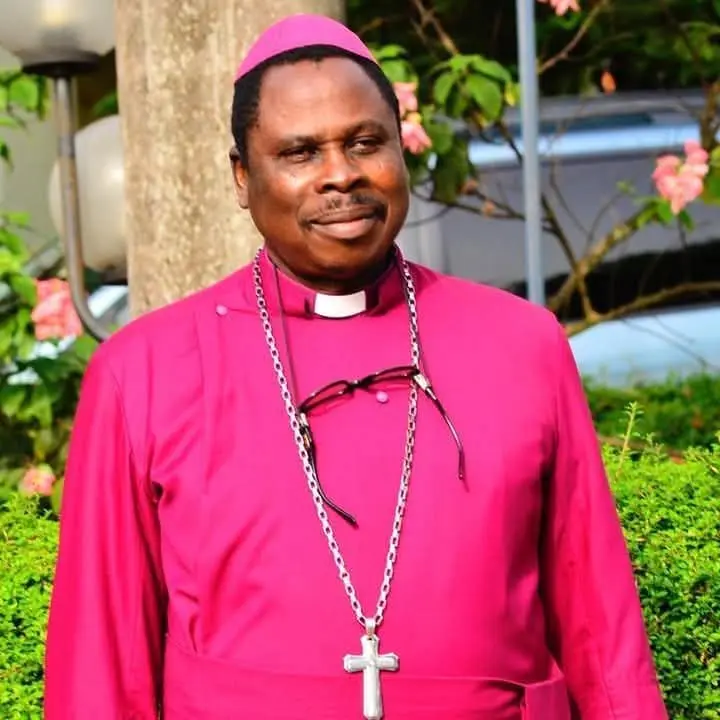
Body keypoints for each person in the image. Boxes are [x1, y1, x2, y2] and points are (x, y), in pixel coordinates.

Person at [43, 13, 668, 720]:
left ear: (400, 150)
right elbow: (99, 662)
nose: (340, 174)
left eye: (365, 142)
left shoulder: (523, 344)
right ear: (243, 177)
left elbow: (602, 628)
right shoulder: (142, 373)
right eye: (300, 152)